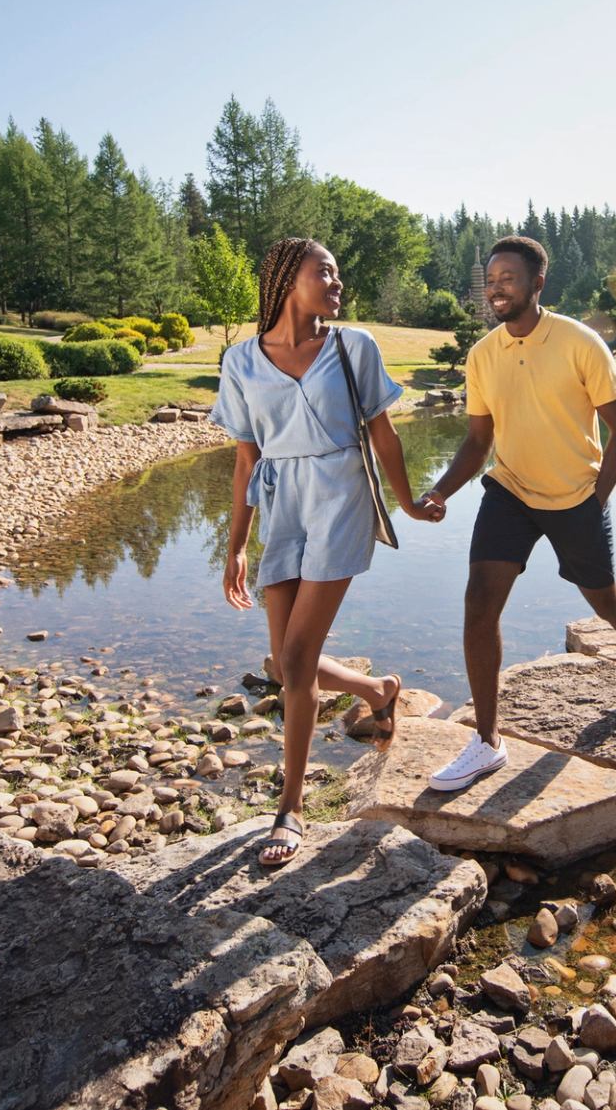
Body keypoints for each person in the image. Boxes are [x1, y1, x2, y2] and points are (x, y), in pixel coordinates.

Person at [211, 237, 440, 866]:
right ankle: (378, 691)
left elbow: (383, 433)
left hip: (341, 498)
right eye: (325, 272)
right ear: (288, 279)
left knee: (298, 653)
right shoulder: (241, 361)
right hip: (281, 502)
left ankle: (290, 807)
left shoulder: (352, 345)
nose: (337, 282)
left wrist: (408, 502)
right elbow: (244, 459)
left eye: (338, 272)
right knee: (286, 670)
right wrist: (234, 547)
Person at [413, 235, 616, 793]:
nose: (496, 288)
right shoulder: (482, 355)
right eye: (491, 279)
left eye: (508, 277)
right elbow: (478, 441)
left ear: (537, 284)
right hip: (510, 491)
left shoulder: (580, 343)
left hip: (576, 496)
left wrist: (597, 499)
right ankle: (486, 741)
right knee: (479, 603)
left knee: (605, 602)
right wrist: (440, 492)